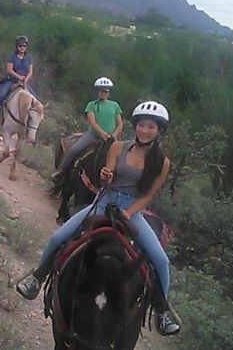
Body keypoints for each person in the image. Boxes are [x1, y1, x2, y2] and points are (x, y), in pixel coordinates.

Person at [16, 101, 180, 336]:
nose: (145, 130)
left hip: (132, 211)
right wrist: (106, 175)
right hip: (104, 202)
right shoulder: (119, 147)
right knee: (59, 236)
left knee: (161, 261)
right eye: (142, 125)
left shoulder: (162, 163)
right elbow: (108, 176)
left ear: (159, 130)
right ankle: (37, 278)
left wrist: (129, 213)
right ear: (136, 126)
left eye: (151, 127)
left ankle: (162, 312)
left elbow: (148, 196)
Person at [51, 77, 123, 181]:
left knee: (122, 159)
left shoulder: (115, 105)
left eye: (106, 91)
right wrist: (103, 134)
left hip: (111, 138)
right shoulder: (91, 105)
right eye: (102, 91)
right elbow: (92, 122)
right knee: (74, 150)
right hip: (93, 136)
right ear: (98, 91)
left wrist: (114, 135)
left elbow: (120, 124)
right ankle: (61, 171)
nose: (104, 93)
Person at [0, 35, 34, 127]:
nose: (22, 48)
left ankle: (29, 125)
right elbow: (9, 70)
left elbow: (30, 71)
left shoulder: (29, 58)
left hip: (23, 82)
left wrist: (25, 80)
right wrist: (19, 77)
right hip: (11, 81)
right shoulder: (12, 57)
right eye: (20, 46)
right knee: (1, 96)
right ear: (17, 47)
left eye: (24, 46)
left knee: (34, 100)